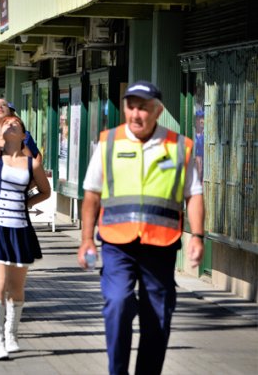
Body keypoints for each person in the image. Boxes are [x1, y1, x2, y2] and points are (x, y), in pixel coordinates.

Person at [77, 80, 204, 375]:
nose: (135, 114)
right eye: (130, 107)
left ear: (157, 110)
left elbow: (194, 194)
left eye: (143, 108)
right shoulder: (108, 141)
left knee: (157, 318)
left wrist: (198, 236)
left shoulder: (179, 146)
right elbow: (92, 194)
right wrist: (86, 240)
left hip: (161, 244)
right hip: (117, 242)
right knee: (118, 304)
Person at [0, 61, 51, 361]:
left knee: (17, 291)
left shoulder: (32, 163)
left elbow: (44, 191)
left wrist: (25, 204)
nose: (8, 125)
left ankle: (11, 334)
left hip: (20, 230)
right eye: (5, 125)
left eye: (13, 124)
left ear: (22, 132)